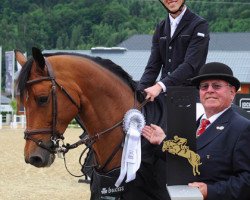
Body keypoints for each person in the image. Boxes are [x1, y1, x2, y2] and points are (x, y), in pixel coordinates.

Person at [142, 62, 250, 200]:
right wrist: (163, 141)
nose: (209, 90)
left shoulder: (243, 128)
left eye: (216, 86)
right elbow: (186, 159)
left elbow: (247, 180)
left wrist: (210, 191)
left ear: (232, 92)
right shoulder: (193, 125)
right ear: (199, 93)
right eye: (204, 86)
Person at [137, 0, 210, 101]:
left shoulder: (199, 25)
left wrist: (160, 86)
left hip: (190, 96)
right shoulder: (160, 27)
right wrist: (138, 92)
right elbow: (152, 67)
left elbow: (190, 65)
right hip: (164, 96)